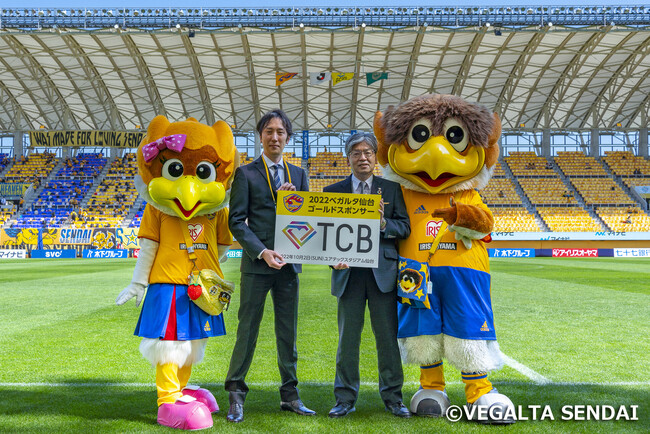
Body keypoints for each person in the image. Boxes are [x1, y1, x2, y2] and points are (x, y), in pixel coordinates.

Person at [225, 109, 313, 423]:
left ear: (287, 138)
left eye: (280, 132)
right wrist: (262, 252)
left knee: (288, 333)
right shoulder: (246, 173)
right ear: (260, 137)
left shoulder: (298, 175)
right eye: (269, 131)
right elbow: (236, 221)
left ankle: (290, 396)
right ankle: (236, 395)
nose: (275, 137)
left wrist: (293, 203)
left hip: (288, 266)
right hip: (257, 265)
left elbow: (308, 219)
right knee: (247, 330)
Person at [323, 132, 411, 418]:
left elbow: (404, 228)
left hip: (382, 275)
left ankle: (393, 398)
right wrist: (331, 261)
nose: (362, 157)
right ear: (348, 158)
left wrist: (384, 223)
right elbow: (325, 237)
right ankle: (344, 398)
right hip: (348, 275)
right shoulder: (333, 192)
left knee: (387, 339)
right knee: (347, 340)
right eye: (356, 153)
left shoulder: (392, 189)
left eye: (367, 152)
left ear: (375, 157)